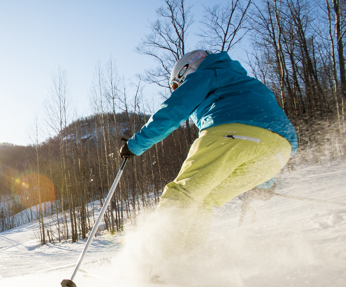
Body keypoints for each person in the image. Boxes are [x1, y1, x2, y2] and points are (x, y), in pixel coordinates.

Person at [119, 50, 298, 268]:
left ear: (186, 71)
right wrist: (265, 182)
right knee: (204, 199)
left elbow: (173, 111)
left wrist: (135, 145)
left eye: (178, 85)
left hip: (231, 133)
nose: (179, 89)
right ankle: (189, 264)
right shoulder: (250, 83)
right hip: (280, 151)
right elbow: (265, 133)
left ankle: (155, 261)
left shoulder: (207, 75)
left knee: (184, 193)